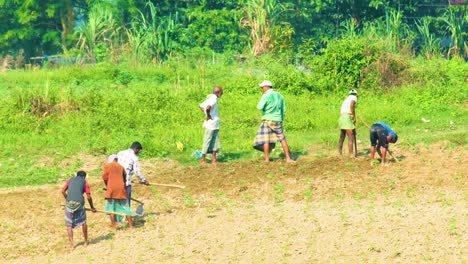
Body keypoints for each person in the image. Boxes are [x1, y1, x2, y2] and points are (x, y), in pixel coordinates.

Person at [253, 80, 294, 162]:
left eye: (262, 87)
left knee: (265, 139)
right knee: (282, 139)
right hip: (278, 119)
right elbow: (283, 110)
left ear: (266, 87)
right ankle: (288, 159)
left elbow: (259, 107)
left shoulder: (266, 95)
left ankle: (267, 159)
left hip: (267, 119)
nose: (261, 89)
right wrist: (281, 119)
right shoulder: (280, 96)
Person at [62, 170, 96, 249]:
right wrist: (92, 207)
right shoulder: (85, 182)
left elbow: (62, 190)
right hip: (79, 203)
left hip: (69, 204)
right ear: (84, 177)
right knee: (83, 222)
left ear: (76, 175)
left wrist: (67, 199)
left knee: (69, 225)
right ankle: (86, 241)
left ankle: (71, 245)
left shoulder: (70, 180)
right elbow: (88, 197)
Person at [102, 154, 132, 229]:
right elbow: (124, 179)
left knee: (111, 208)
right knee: (126, 207)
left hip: (111, 189)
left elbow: (105, 178)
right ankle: (131, 226)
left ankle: (113, 226)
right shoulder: (121, 167)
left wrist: (108, 186)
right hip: (121, 189)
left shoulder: (107, 166)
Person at [117, 142, 149, 206]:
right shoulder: (134, 157)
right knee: (126, 203)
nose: (138, 152)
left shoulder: (120, 153)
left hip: (116, 181)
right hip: (126, 183)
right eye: (139, 150)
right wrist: (143, 180)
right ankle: (127, 215)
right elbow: (137, 172)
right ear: (136, 149)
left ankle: (118, 215)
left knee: (118, 202)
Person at [199, 86, 223, 164]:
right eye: (221, 92)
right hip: (211, 125)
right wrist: (208, 115)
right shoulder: (213, 99)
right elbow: (208, 107)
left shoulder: (210, 98)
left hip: (215, 124)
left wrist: (206, 113)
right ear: (218, 93)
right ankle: (202, 159)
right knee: (207, 141)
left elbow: (201, 106)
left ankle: (214, 159)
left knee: (215, 142)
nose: (222, 94)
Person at [338, 89, 358, 157]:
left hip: (342, 117)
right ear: (356, 94)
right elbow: (352, 105)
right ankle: (351, 155)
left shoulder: (346, 99)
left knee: (342, 136)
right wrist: (353, 115)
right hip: (347, 117)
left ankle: (339, 153)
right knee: (350, 136)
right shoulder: (354, 97)